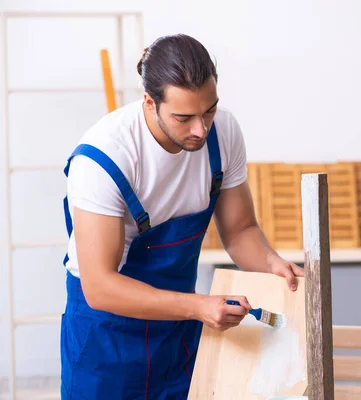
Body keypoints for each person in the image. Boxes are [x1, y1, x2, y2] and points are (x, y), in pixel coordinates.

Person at [59, 33, 304, 399]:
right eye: (184, 117)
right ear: (149, 102)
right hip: (106, 338)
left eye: (209, 111)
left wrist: (271, 263)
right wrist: (197, 307)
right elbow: (100, 286)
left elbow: (240, 231)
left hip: (177, 331)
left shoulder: (223, 134)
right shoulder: (104, 157)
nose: (200, 129)